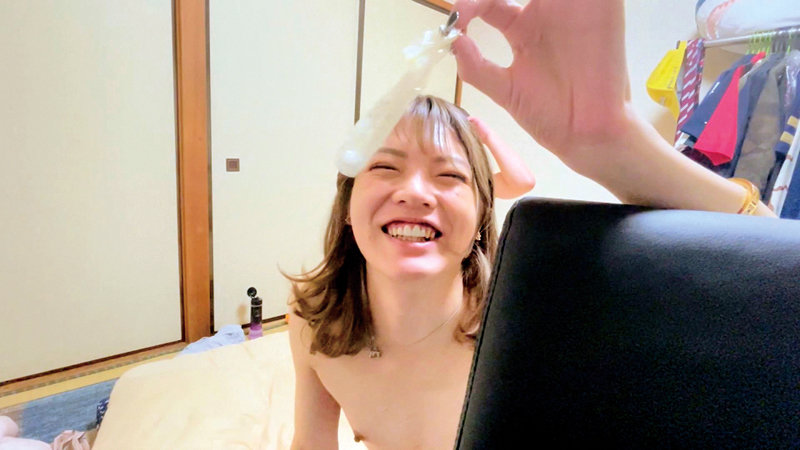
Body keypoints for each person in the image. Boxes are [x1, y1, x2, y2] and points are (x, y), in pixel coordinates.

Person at [288, 0, 777, 448]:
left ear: (481, 216)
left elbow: (771, 269)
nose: (415, 192)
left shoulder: (531, 315)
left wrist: (620, 146)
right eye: (384, 166)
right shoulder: (313, 316)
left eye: (449, 175)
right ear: (347, 206)